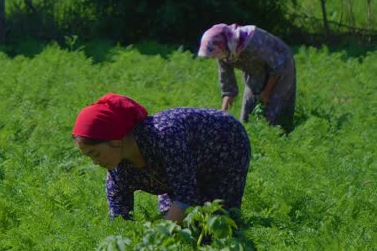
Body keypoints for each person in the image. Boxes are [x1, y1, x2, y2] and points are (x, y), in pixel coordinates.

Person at [72, 93, 251, 222]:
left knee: (218, 220)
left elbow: (186, 197)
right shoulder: (118, 174)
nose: (96, 162)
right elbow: (119, 221)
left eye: (95, 154)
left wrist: (155, 241)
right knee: (174, 222)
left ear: (114, 139)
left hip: (224, 143)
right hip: (184, 163)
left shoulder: (163, 137)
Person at [197, 23, 296, 130]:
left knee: (273, 114)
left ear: (223, 45)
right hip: (255, 70)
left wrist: (266, 93)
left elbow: (277, 67)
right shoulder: (223, 53)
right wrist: (222, 114)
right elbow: (228, 86)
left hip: (281, 65)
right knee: (247, 113)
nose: (215, 58)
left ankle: (281, 138)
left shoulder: (253, 42)